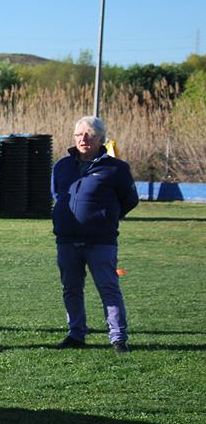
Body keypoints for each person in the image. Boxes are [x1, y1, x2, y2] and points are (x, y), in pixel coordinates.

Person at [52, 116, 138, 354]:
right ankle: (76, 334)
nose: (84, 139)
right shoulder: (62, 166)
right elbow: (57, 195)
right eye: (79, 135)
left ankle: (118, 337)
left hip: (101, 241)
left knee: (108, 288)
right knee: (71, 289)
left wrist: (106, 217)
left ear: (101, 139)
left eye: (89, 135)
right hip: (67, 240)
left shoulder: (116, 168)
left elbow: (130, 200)